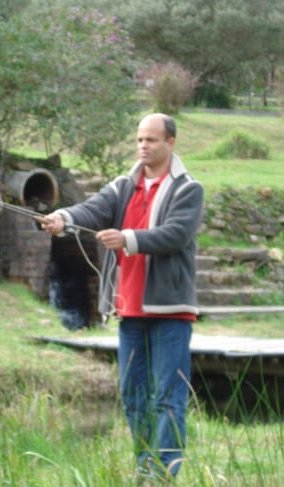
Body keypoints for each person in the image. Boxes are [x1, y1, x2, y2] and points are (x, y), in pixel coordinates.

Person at [41, 113, 204, 481]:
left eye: (152, 140)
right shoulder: (122, 186)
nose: (144, 146)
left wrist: (127, 239)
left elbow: (175, 235)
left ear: (171, 143)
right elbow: (93, 209)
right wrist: (64, 217)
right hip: (129, 310)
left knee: (167, 398)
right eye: (140, 140)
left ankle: (165, 474)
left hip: (170, 311)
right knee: (133, 397)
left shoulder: (188, 189)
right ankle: (144, 468)